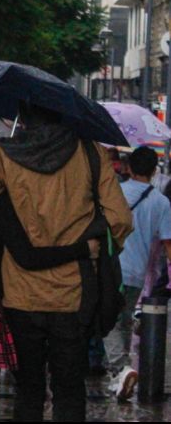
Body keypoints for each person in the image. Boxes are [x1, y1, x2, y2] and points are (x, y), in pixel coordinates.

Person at [0, 101, 133, 422]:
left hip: (20, 294)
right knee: (70, 388)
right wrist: (89, 243)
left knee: (28, 389)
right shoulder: (90, 153)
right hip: (73, 293)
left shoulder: (3, 156)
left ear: (24, 119)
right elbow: (120, 220)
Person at [104, 147, 171, 401]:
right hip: (137, 274)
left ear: (128, 167)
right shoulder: (161, 202)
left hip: (111, 267)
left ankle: (121, 368)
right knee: (121, 321)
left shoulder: (115, 192)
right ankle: (117, 377)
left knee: (107, 321)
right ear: (154, 171)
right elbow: (168, 243)